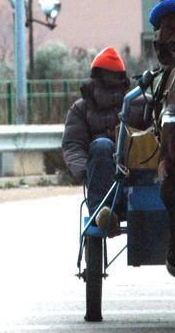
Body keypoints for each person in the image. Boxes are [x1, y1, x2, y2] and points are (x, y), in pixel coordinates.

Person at [62, 47, 150, 236]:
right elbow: (73, 144)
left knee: (103, 145)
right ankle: (104, 214)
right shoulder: (143, 102)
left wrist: (86, 172)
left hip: (135, 175)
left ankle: (103, 213)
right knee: (102, 145)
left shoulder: (145, 104)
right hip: (114, 178)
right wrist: (89, 170)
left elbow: (72, 144)